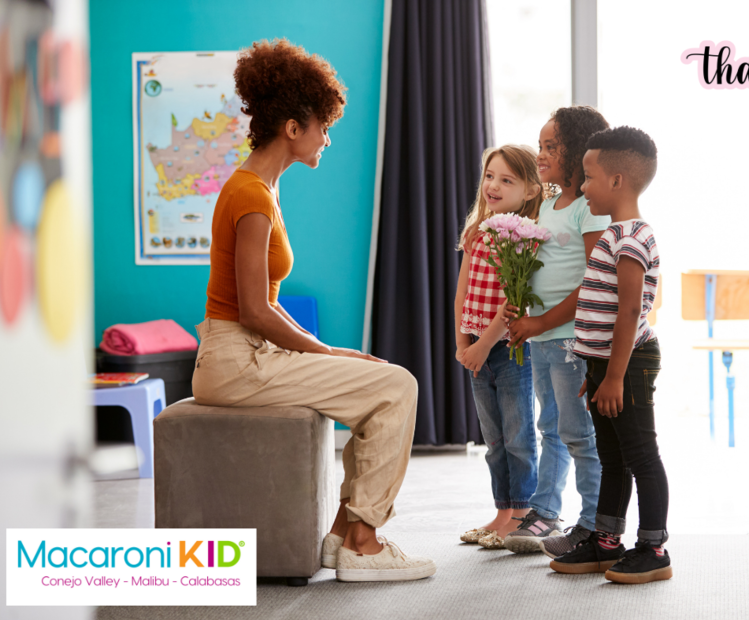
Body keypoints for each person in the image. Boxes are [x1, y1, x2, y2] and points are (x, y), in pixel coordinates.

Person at [191, 39, 435, 583]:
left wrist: (335, 353)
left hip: (245, 355)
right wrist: (324, 351)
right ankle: (365, 544)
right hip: (237, 362)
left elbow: (267, 305)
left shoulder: (262, 188)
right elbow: (255, 311)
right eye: (323, 126)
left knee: (382, 379)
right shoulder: (251, 194)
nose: (328, 137)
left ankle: (342, 536)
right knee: (398, 386)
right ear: (293, 128)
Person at [549, 125, 671, 584]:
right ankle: (605, 541)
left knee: (640, 453)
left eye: (589, 176)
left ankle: (653, 547)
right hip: (607, 364)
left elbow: (627, 313)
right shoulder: (614, 234)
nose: (582, 187)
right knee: (611, 454)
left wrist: (615, 376)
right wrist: (597, 372)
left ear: (617, 181)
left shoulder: (632, 239)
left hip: (629, 362)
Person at [503, 106, 611, 556]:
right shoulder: (547, 204)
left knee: (579, 433)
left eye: (552, 147)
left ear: (579, 151)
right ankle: (546, 512)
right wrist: (521, 304)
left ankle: (593, 522)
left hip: (570, 337)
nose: (541, 154)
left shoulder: (590, 207)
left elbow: (593, 278)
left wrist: (542, 321)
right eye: (541, 145)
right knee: (552, 426)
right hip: (543, 337)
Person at [454, 145, 543, 549]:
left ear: (529, 191)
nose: (493, 185)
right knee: (493, 440)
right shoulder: (478, 232)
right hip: (476, 350)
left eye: (507, 180)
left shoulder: (522, 238)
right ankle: (503, 511)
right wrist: (463, 344)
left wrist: (484, 344)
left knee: (518, 435)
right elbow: (462, 294)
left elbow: (515, 300)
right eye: (490, 176)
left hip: (508, 351)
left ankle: (522, 514)